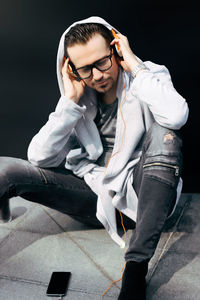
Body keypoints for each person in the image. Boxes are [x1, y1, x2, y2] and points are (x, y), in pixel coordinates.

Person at [0, 16, 188, 299]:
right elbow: (38, 157)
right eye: (85, 69)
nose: (97, 75)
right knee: (7, 170)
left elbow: (176, 115)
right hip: (96, 198)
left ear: (116, 49)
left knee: (166, 132)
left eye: (102, 62)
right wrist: (69, 103)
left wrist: (134, 65)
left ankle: (136, 266)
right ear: (72, 69)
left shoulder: (148, 76)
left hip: (147, 197)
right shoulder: (79, 95)